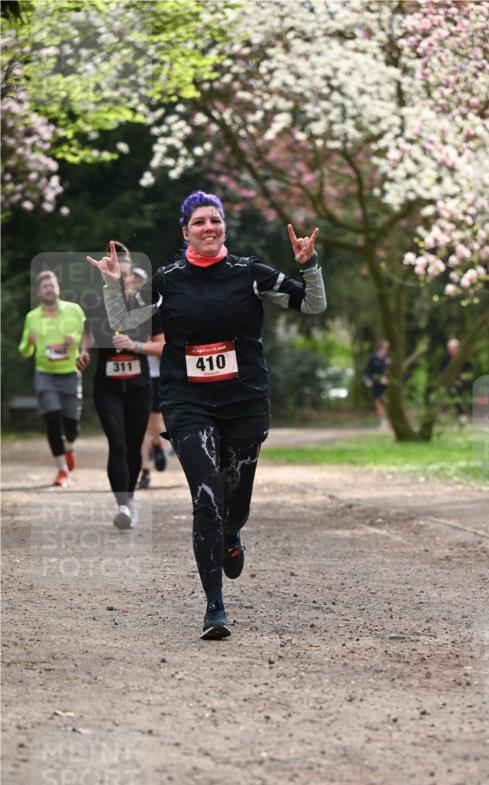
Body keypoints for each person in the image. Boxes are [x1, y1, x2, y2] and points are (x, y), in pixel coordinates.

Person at [87, 191, 326, 639]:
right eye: (199, 222)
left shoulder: (250, 273)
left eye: (215, 220)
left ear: (224, 228)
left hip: (244, 402)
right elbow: (124, 318)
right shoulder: (169, 278)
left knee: (235, 503)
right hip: (187, 401)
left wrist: (308, 266)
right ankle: (214, 608)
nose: (209, 227)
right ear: (186, 232)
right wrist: (111, 283)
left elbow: (312, 305)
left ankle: (233, 535)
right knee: (206, 498)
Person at [79, 245, 165, 528]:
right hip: (108, 387)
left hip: (140, 387)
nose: (122, 271)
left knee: (132, 447)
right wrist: (84, 351)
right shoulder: (95, 303)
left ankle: (129, 500)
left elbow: (162, 346)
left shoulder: (146, 306)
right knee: (116, 443)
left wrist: (135, 345)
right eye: (116, 266)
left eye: (125, 266)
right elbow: (88, 333)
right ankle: (123, 505)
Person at [18, 270, 85, 486]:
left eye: (52, 285)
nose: (49, 288)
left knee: (72, 425)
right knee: (51, 419)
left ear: (58, 288)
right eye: (45, 286)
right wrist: (29, 342)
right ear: (39, 292)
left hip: (70, 372)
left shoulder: (74, 310)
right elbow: (24, 351)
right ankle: (61, 469)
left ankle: (69, 446)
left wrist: (73, 340)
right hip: (45, 374)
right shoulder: (32, 317)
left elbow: (87, 337)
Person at [133, 267, 169, 490]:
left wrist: (138, 344)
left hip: (155, 375)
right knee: (139, 427)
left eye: (139, 282)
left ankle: (157, 443)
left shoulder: (154, 312)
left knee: (153, 426)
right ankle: (144, 472)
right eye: (130, 281)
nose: (134, 285)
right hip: (133, 376)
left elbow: (163, 348)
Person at [363, 340, 390, 429]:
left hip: (388, 385)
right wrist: (367, 380)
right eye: (385, 348)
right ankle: (383, 421)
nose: (387, 350)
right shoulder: (372, 359)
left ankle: (390, 421)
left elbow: (391, 371)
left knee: (388, 402)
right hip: (377, 385)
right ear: (381, 348)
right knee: (378, 402)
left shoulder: (388, 359)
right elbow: (367, 372)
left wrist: (387, 378)